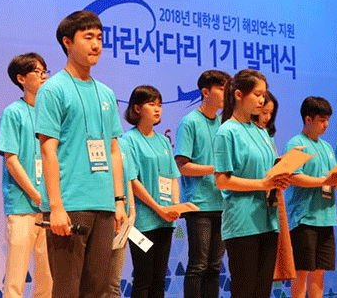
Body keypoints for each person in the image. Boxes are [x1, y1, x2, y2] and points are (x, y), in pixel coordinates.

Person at [35, 10, 127, 298]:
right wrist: (56, 207)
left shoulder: (106, 93)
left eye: (99, 38)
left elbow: (114, 150)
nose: (96, 44)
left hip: (104, 204)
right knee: (67, 289)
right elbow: (48, 151)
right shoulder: (53, 90)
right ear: (67, 42)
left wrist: (119, 200)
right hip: (70, 204)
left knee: (98, 289)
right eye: (88, 37)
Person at [213, 69, 289, 298]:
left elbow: (267, 173)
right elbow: (222, 180)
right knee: (245, 290)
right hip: (243, 222)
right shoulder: (227, 131)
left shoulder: (262, 132)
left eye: (264, 95)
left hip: (268, 220)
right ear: (238, 95)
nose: (262, 100)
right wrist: (263, 183)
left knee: (263, 291)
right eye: (257, 94)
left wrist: (279, 179)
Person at [0, 53, 53, 298]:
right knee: (16, 278)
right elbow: (11, 161)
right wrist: (36, 195)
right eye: (37, 72)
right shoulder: (13, 113)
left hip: (50, 207)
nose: (44, 77)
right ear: (21, 78)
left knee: (48, 278)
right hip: (22, 206)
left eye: (45, 71)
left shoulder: (51, 113)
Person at [174, 70, 231, 298]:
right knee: (198, 265)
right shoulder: (189, 122)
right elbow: (182, 165)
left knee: (215, 267)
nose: (226, 94)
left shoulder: (224, 124)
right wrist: (215, 169)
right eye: (222, 89)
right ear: (206, 92)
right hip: (199, 205)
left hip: (222, 203)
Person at [120, 85, 181, 298]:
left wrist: (175, 206)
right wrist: (158, 208)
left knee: (159, 280)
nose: (157, 109)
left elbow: (173, 177)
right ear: (137, 108)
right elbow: (133, 181)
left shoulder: (163, 140)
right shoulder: (128, 140)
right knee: (143, 279)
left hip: (166, 220)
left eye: (160, 105)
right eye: (151, 104)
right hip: (142, 221)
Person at [284, 96, 337, 298]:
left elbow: (330, 181)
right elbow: (294, 177)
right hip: (304, 218)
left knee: (319, 272)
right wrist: (324, 180)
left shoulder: (326, 147)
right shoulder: (296, 144)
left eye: (328, 120)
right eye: (322, 120)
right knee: (302, 271)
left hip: (326, 218)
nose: (326, 125)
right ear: (308, 119)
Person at [107, 148, 135, 298]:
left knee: (114, 282)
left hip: (121, 218)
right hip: (102, 215)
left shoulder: (123, 145)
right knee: (95, 280)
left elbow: (128, 180)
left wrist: (132, 210)